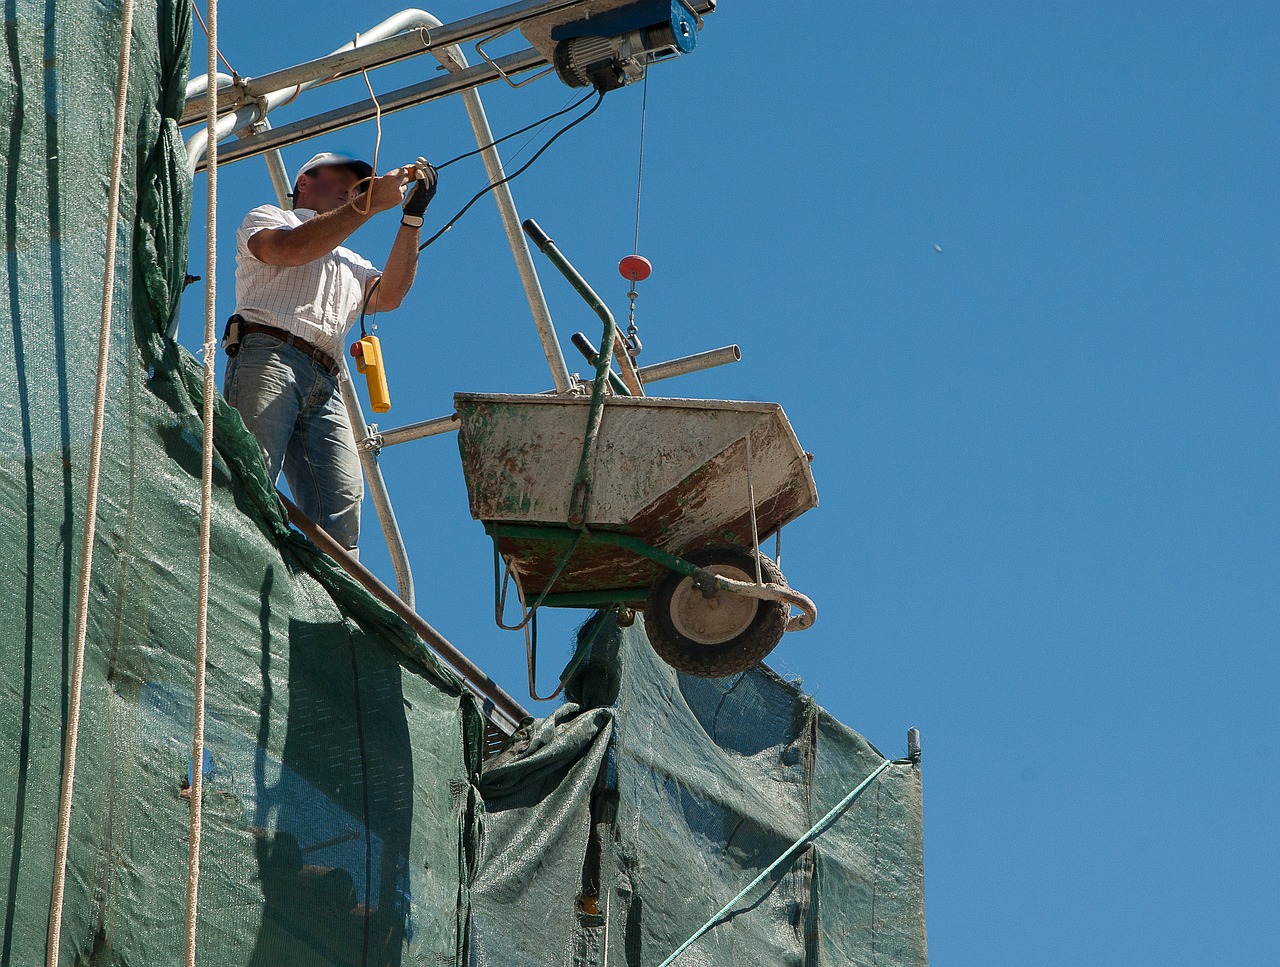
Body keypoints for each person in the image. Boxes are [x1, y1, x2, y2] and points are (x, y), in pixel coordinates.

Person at [223, 151, 437, 554]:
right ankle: (234, 563)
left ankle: (330, 606)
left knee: (341, 509)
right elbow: (289, 250)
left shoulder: (350, 260)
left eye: (356, 184)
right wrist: (369, 202)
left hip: (326, 379)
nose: (350, 189)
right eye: (340, 178)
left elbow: (390, 294)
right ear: (304, 182)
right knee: (252, 473)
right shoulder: (269, 217)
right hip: (269, 356)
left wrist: (412, 217)